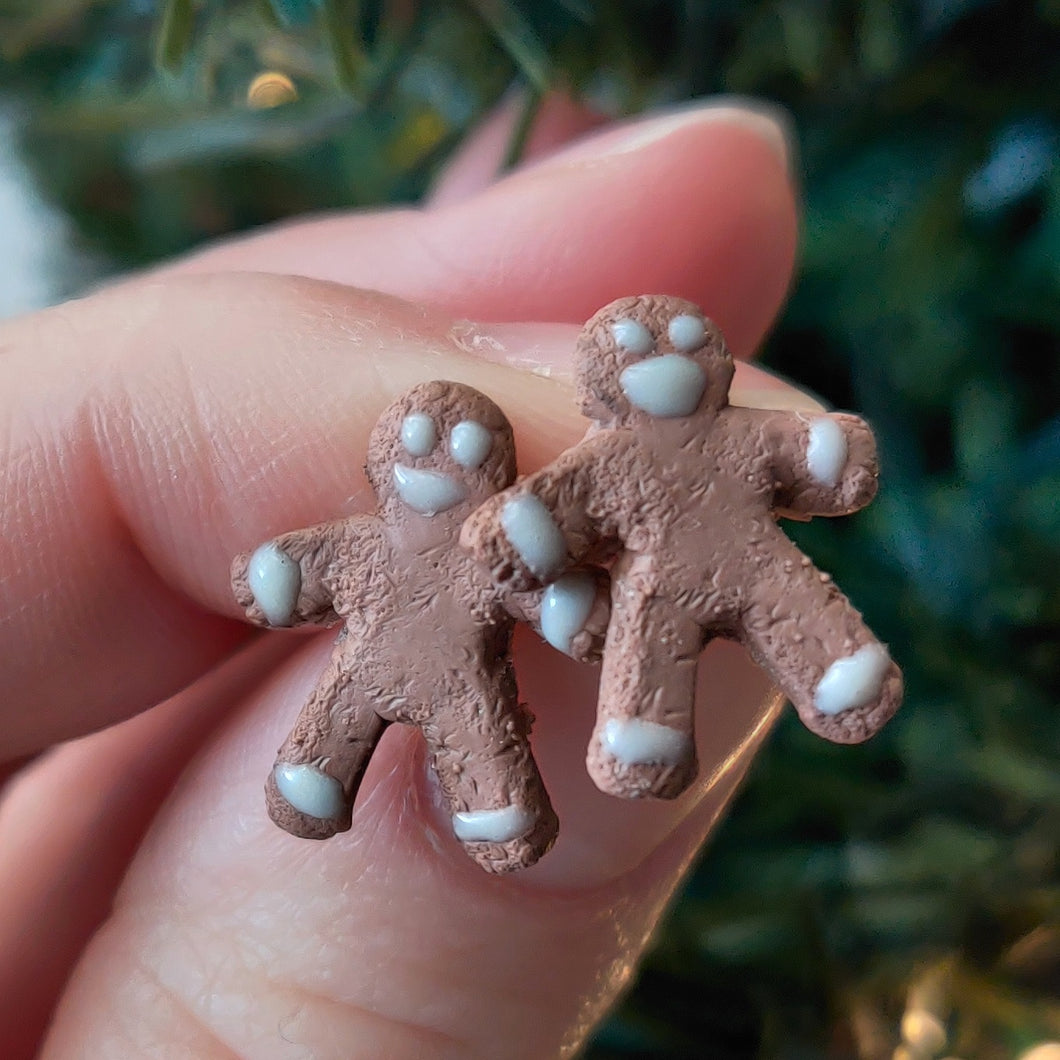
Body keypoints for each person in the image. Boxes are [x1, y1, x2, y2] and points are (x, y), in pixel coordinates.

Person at [0, 94, 809, 1057]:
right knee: (341, 710)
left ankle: (488, 806)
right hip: (373, 656)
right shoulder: (378, 542)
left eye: (459, 448)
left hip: (465, 671)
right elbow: (312, 564)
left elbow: (542, 579)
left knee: (478, 732)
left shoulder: (488, 545)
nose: (442, 460)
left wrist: (578, 615)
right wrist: (278, 571)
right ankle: (317, 774)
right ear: (391, 465)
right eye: (428, 444)